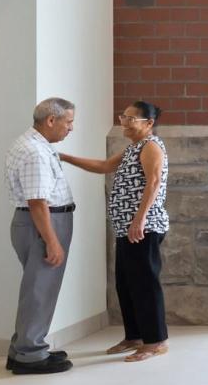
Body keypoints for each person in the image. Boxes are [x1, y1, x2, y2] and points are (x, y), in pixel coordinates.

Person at [61, 102, 172, 361]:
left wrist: (139, 220)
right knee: (125, 283)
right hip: (126, 227)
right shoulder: (133, 148)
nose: (124, 121)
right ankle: (134, 336)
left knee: (144, 283)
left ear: (148, 123)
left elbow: (153, 183)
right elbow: (102, 166)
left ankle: (155, 341)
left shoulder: (151, 146)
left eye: (131, 118)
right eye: (123, 116)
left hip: (143, 227)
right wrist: (65, 158)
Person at [4, 98, 79, 375]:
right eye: (68, 122)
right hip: (42, 223)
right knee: (39, 290)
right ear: (51, 120)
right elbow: (37, 202)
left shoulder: (34, 144)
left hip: (38, 222)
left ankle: (24, 347)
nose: (71, 128)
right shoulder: (35, 152)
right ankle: (30, 354)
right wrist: (52, 240)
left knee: (36, 288)